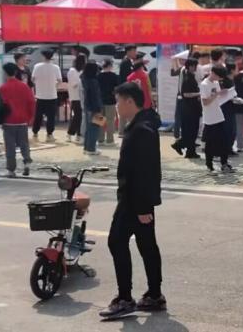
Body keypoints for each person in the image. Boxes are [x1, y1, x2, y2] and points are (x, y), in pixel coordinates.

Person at [99, 81, 166, 319]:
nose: (116, 106)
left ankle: (125, 298)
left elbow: (147, 171)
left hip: (135, 201)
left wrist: (144, 207)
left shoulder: (142, 130)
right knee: (146, 245)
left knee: (117, 241)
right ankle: (154, 295)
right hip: (136, 199)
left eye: (118, 102)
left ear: (129, 102)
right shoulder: (140, 125)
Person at [0, 63, 35, 178]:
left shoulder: (2, 88)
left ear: (5, 73)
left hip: (8, 121)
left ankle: (11, 169)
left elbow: (0, 106)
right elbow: (31, 102)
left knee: (10, 147)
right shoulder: (24, 87)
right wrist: (30, 117)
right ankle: (27, 162)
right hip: (22, 120)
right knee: (24, 144)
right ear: (15, 72)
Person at [200, 66, 236, 174]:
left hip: (219, 115)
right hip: (210, 118)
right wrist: (217, 94)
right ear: (213, 73)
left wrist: (226, 94)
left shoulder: (216, 83)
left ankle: (224, 164)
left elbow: (218, 98)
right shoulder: (204, 84)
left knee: (224, 141)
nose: (219, 79)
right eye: (219, 77)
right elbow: (205, 102)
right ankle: (209, 165)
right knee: (210, 143)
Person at [31, 49, 62, 142]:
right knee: (51, 116)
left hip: (40, 95)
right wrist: (55, 86)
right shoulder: (56, 67)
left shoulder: (37, 66)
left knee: (38, 116)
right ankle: (49, 134)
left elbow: (32, 79)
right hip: (52, 95)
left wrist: (38, 84)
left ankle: (35, 133)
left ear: (43, 56)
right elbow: (60, 80)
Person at [173, 57, 201, 159]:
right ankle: (181, 146)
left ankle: (190, 151)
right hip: (189, 109)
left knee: (192, 131)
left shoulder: (190, 76)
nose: (196, 68)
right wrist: (199, 94)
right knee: (190, 131)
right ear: (190, 66)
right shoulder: (187, 78)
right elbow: (186, 94)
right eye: (194, 66)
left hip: (192, 108)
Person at [81, 61, 104, 156]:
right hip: (95, 107)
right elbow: (96, 96)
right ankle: (91, 148)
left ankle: (87, 147)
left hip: (88, 106)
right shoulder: (93, 81)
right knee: (95, 128)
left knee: (89, 128)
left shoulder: (84, 79)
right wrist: (99, 108)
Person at [98, 59, 121, 145]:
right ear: (109, 66)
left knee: (99, 120)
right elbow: (117, 88)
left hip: (99, 101)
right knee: (110, 120)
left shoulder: (98, 76)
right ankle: (110, 140)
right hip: (110, 100)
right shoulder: (114, 76)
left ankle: (100, 139)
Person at [66, 54, 86, 142]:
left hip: (82, 96)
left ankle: (79, 134)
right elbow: (73, 84)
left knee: (81, 117)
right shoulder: (72, 71)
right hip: (75, 96)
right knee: (78, 116)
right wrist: (81, 80)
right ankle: (70, 133)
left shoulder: (83, 71)